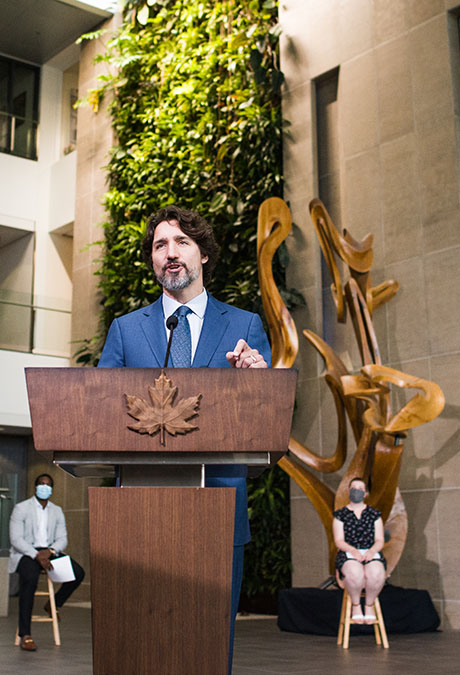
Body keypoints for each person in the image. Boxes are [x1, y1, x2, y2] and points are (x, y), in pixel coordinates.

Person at [99, 205, 271, 672]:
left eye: (181, 243)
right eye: (159, 245)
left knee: (210, 644)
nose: (170, 254)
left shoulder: (244, 326)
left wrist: (256, 381)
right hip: (136, 512)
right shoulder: (125, 329)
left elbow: (266, 415)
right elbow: (98, 411)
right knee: (136, 643)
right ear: (152, 261)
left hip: (218, 505)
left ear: (203, 255)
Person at [8, 473, 85, 651]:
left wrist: (49, 552)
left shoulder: (56, 510)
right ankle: (25, 635)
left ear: (52, 489)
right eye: (41, 484)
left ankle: (54, 604)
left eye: (48, 485)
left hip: (49, 552)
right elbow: (16, 539)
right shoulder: (21, 508)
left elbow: (62, 539)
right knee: (30, 579)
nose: (45, 487)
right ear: (35, 487)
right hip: (26, 553)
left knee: (78, 573)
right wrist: (36, 555)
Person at [333, 477, 386, 624]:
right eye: (354, 488)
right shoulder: (340, 515)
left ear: (365, 493)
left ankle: (369, 605)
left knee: (376, 573)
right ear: (349, 491)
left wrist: (371, 551)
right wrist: (353, 551)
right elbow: (339, 540)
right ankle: (356, 605)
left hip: (370, 551)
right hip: (349, 552)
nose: (356, 490)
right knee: (355, 574)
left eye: (360, 488)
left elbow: (380, 540)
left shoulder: (374, 515)